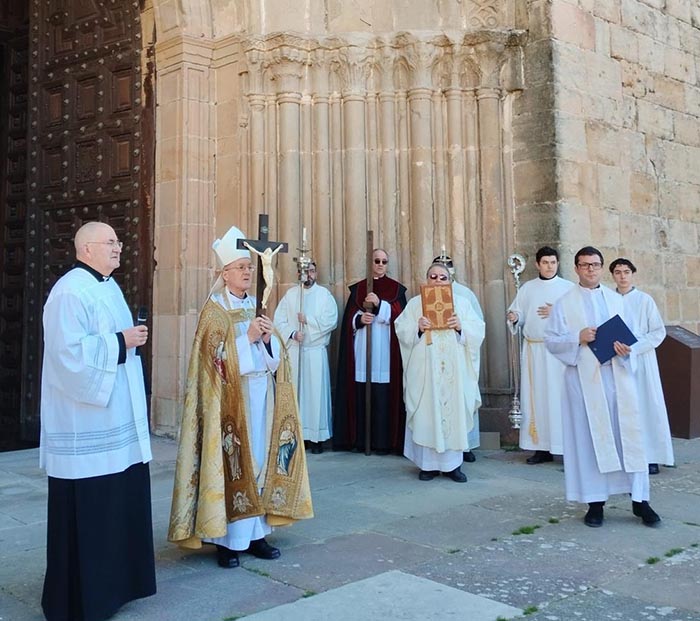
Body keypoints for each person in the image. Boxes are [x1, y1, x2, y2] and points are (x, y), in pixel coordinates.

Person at [168, 226, 313, 569]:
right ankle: (227, 542)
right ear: (225, 273)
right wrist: (246, 339)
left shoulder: (256, 306)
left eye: (250, 267)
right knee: (231, 465)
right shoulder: (213, 312)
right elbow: (211, 362)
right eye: (241, 268)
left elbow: (276, 355)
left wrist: (264, 340)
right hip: (227, 403)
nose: (248, 272)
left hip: (260, 396)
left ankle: (257, 535)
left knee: (260, 462)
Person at [40, 221, 155, 621]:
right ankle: (82, 597)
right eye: (111, 242)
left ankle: (118, 586)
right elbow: (66, 356)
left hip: (115, 421)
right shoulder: (69, 291)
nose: (119, 248)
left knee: (116, 504)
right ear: (86, 248)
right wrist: (121, 341)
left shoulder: (108, 287)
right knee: (91, 511)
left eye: (119, 242)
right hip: (85, 425)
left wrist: (126, 340)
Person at [544, 246, 660, 528]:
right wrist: (577, 337)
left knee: (629, 437)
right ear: (576, 268)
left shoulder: (617, 300)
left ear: (600, 267)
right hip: (584, 382)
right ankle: (595, 503)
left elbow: (634, 335)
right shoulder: (564, 303)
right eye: (585, 265)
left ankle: (640, 501)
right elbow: (551, 340)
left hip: (619, 377)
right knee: (590, 439)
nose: (591, 270)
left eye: (595, 265)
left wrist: (626, 349)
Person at [395, 262, 484, 482]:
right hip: (425, 372)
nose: (437, 280)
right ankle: (428, 465)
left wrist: (461, 326)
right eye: (433, 276)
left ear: (450, 280)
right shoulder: (416, 304)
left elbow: (478, 330)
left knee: (453, 412)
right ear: (426, 280)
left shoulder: (462, 303)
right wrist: (417, 327)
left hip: (454, 370)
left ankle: (453, 465)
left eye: (442, 277)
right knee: (427, 411)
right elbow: (401, 329)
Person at [333, 248, 408, 454]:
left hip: (385, 354)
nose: (380, 264)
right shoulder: (358, 289)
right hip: (362, 353)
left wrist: (381, 305)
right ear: (370, 262)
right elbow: (349, 320)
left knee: (383, 397)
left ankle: (383, 443)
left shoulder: (396, 290)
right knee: (361, 395)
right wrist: (359, 320)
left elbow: (403, 319)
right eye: (377, 260)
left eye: (384, 261)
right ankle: (359, 440)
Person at [506, 246, 574, 464]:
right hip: (534, 351)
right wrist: (514, 316)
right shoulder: (527, 288)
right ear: (537, 264)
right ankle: (540, 447)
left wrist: (558, 312)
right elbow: (519, 313)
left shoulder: (569, 289)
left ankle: (564, 446)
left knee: (558, 397)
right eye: (545, 262)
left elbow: (579, 316)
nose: (549, 266)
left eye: (553, 262)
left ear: (558, 264)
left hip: (558, 352)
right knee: (536, 398)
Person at [610, 258, 674, 475]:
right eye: (617, 272)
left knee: (646, 405)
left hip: (642, 360)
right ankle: (624, 455)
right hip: (616, 360)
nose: (622, 276)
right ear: (612, 275)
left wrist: (635, 347)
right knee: (622, 407)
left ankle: (651, 456)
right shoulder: (608, 299)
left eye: (626, 271)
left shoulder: (645, 300)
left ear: (632, 274)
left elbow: (658, 332)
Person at [274, 261, 338, 453]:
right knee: (297, 395)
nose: (307, 275)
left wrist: (308, 321)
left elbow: (331, 321)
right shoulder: (291, 295)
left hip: (315, 353)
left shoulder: (324, 295)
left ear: (316, 273)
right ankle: (297, 436)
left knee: (315, 396)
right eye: (303, 272)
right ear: (298, 274)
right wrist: (293, 334)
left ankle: (316, 439)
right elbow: (279, 320)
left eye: (310, 271)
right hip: (295, 352)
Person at [432, 253, 483, 462]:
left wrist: (462, 328)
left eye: (447, 268)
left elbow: (478, 326)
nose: (440, 277)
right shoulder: (421, 299)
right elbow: (406, 328)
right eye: (437, 270)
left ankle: (466, 445)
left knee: (461, 399)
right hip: (432, 362)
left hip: (458, 358)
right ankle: (432, 457)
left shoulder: (464, 295)